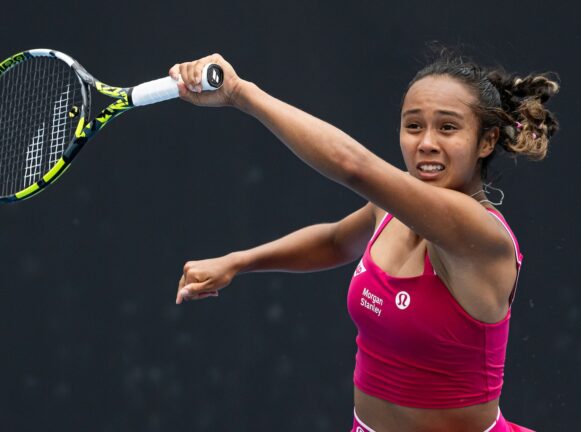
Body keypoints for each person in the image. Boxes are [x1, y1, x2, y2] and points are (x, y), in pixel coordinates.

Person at [172, 49, 559, 432]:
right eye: (413, 126)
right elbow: (337, 240)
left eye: (447, 127)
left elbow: (353, 167)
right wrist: (238, 261)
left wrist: (240, 92)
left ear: (487, 141)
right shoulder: (390, 208)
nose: (425, 143)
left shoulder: (479, 233)